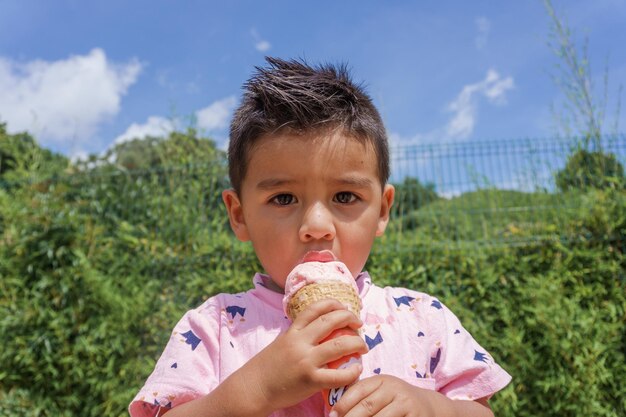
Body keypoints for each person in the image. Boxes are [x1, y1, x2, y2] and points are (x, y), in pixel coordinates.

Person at [129, 57, 511, 417]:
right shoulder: (213, 328)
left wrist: (428, 406)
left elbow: (479, 409)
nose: (316, 225)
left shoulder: (423, 318)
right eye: (283, 198)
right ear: (239, 215)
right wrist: (257, 387)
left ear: (381, 210)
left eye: (345, 197)